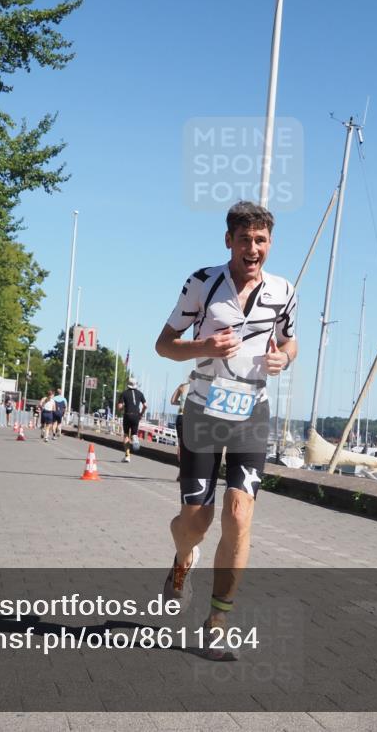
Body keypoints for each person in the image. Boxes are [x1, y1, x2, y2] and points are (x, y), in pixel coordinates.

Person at [154, 200, 297, 660]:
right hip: (203, 411)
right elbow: (164, 345)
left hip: (252, 412)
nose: (252, 249)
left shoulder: (284, 290)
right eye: (244, 240)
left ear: (269, 243)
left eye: (261, 241)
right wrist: (203, 344)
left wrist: (284, 358)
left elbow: (291, 340)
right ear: (228, 241)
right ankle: (182, 559)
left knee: (239, 516)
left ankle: (217, 621)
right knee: (196, 522)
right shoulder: (203, 282)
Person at [117, 378, 146, 462]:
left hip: (127, 415)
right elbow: (145, 405)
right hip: (136, 416)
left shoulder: (124, 393)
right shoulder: (140, 394)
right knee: (134, 433)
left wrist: (123, 407)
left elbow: (119, 407)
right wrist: (141, 413)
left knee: (126, 435)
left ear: (128, 384)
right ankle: (135, 437)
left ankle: (127, 456)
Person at [169, 379, 190, 480]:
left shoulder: (182, 386)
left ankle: (181, 471)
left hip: (181, 417)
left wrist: (181, 403)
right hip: (192, 418)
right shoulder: (199, 387)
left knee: (181, 445)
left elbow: (172, 401)